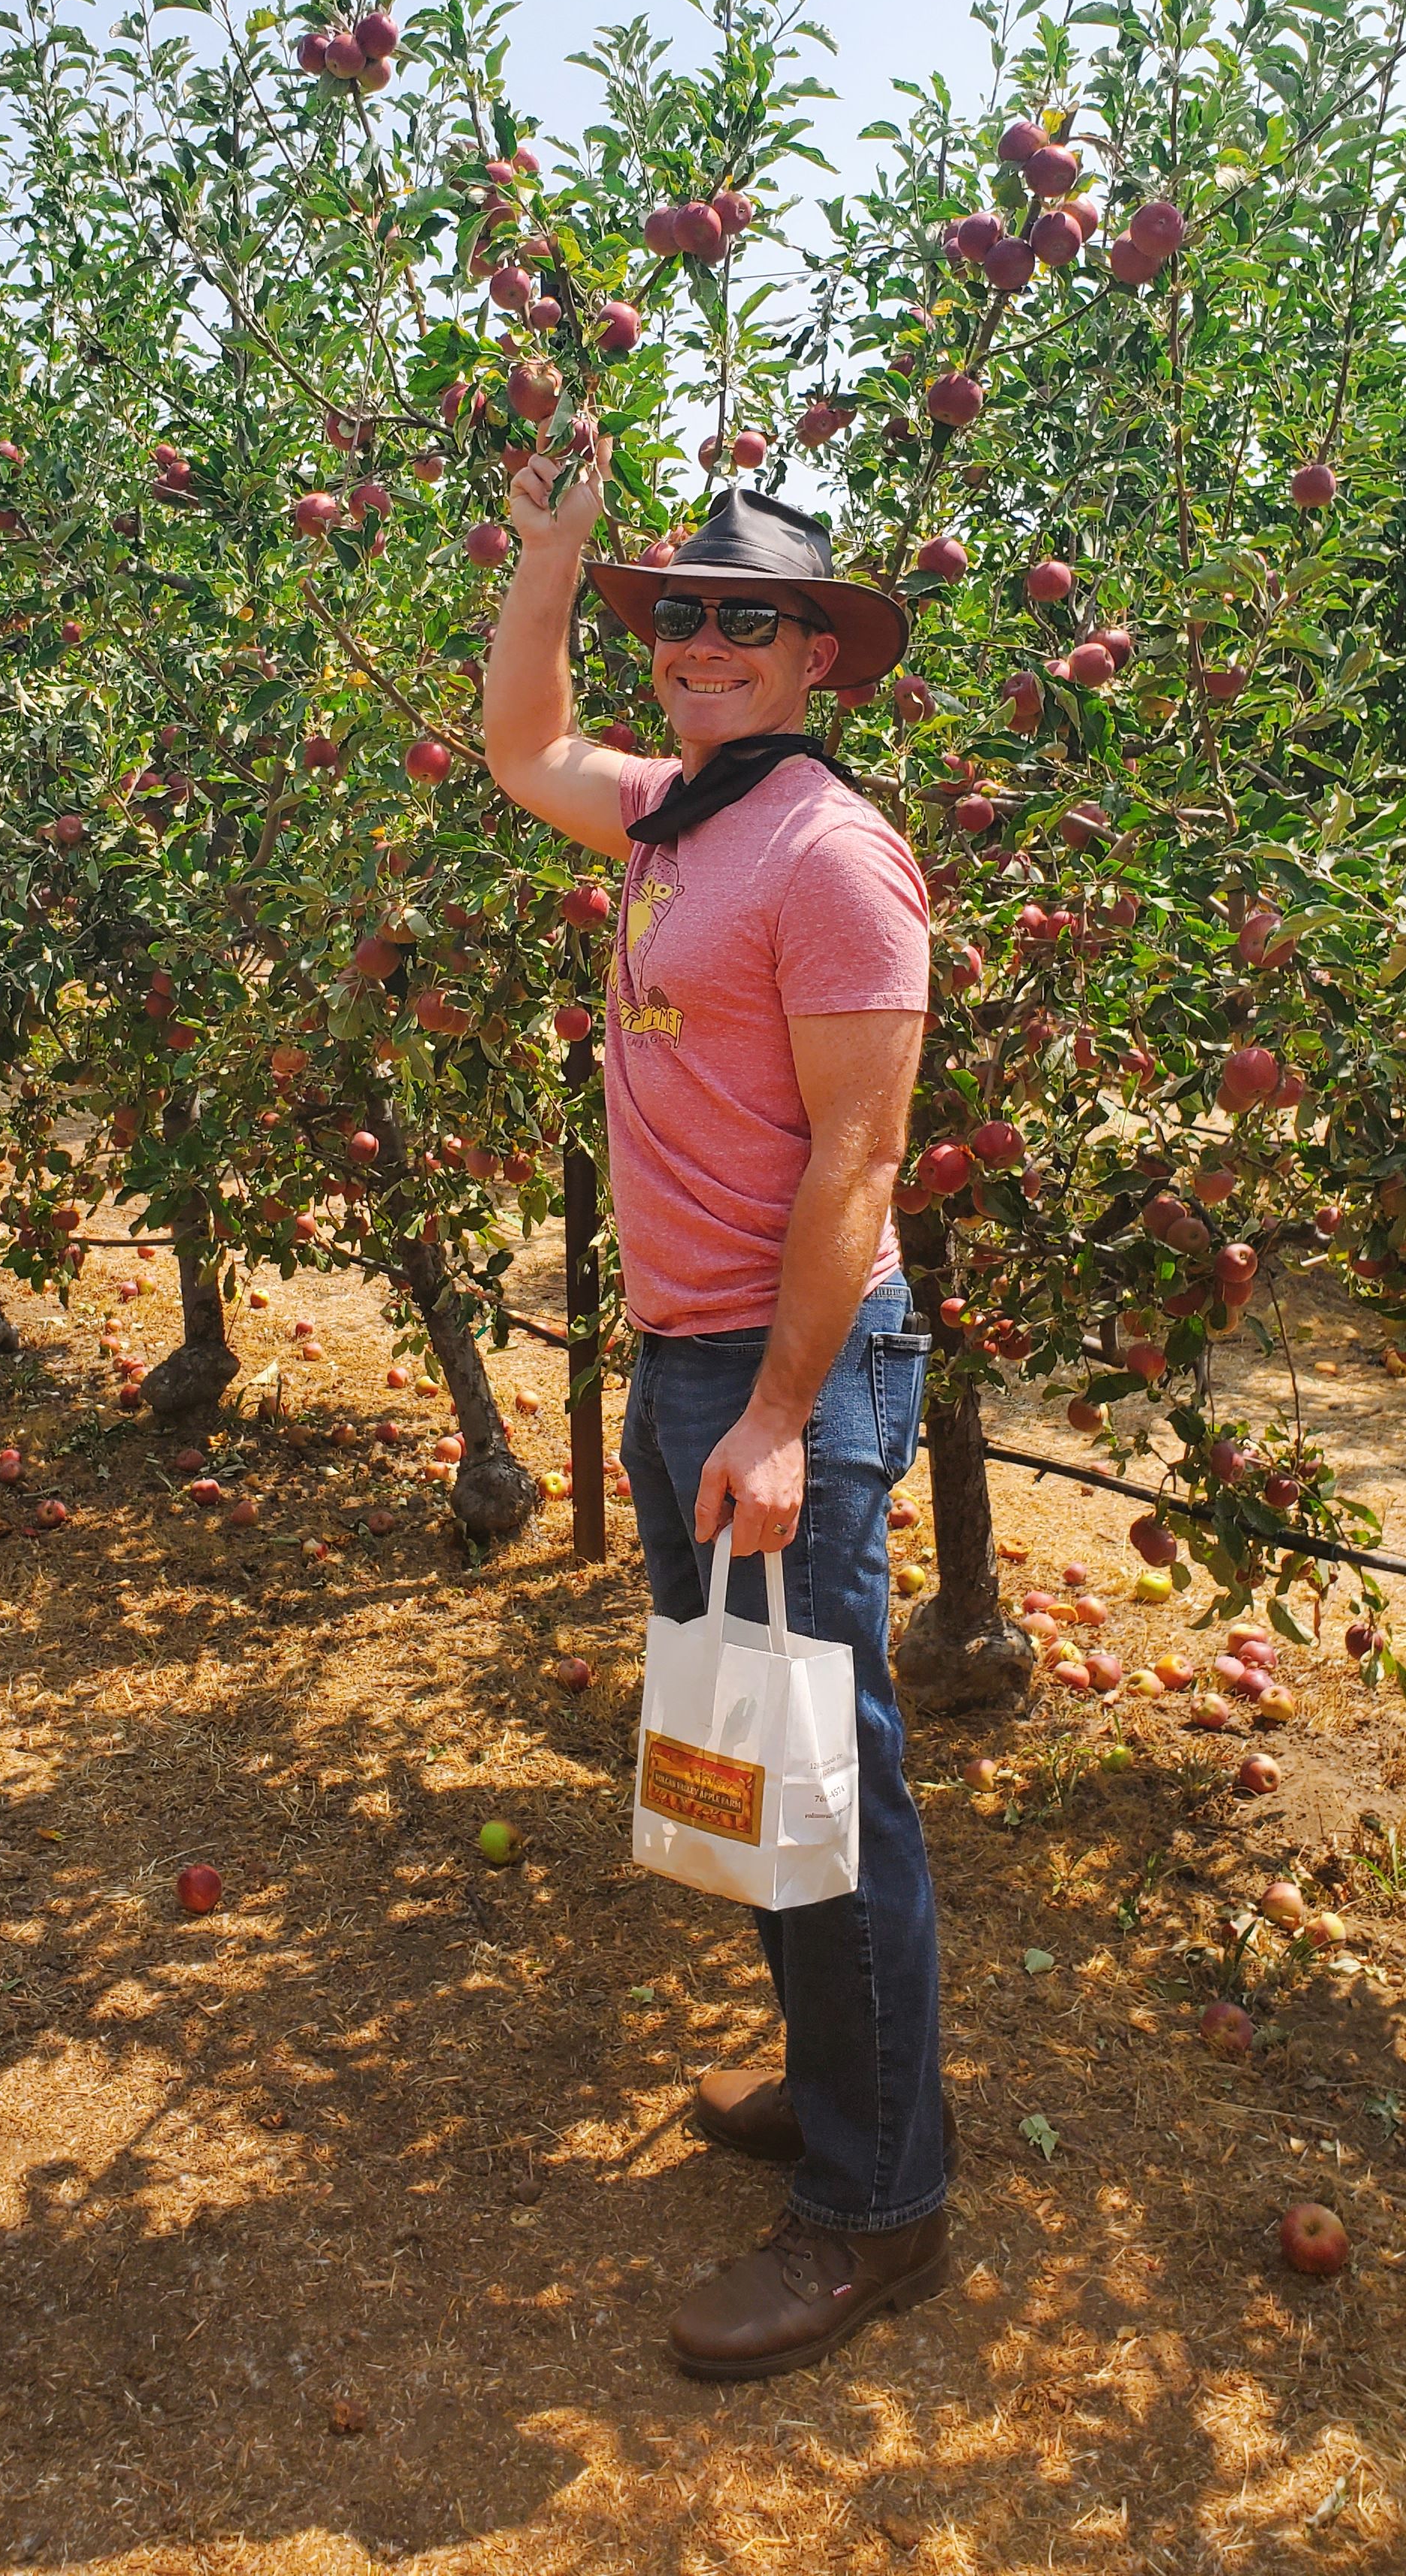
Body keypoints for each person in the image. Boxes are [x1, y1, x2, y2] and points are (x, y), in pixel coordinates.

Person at [483, 434, 948, 2384]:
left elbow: (859, 1156)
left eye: (741, 622)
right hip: (691, 1360)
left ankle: (875, 2211)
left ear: (815, 657)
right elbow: (521, 748)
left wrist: (773, 1411)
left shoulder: (829, 853)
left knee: (824, 1791)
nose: (697, 646)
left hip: (791, 1370)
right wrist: (551, 557)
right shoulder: (682, 817)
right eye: (677, 615)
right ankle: (841, 2096)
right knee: (753, 1758)